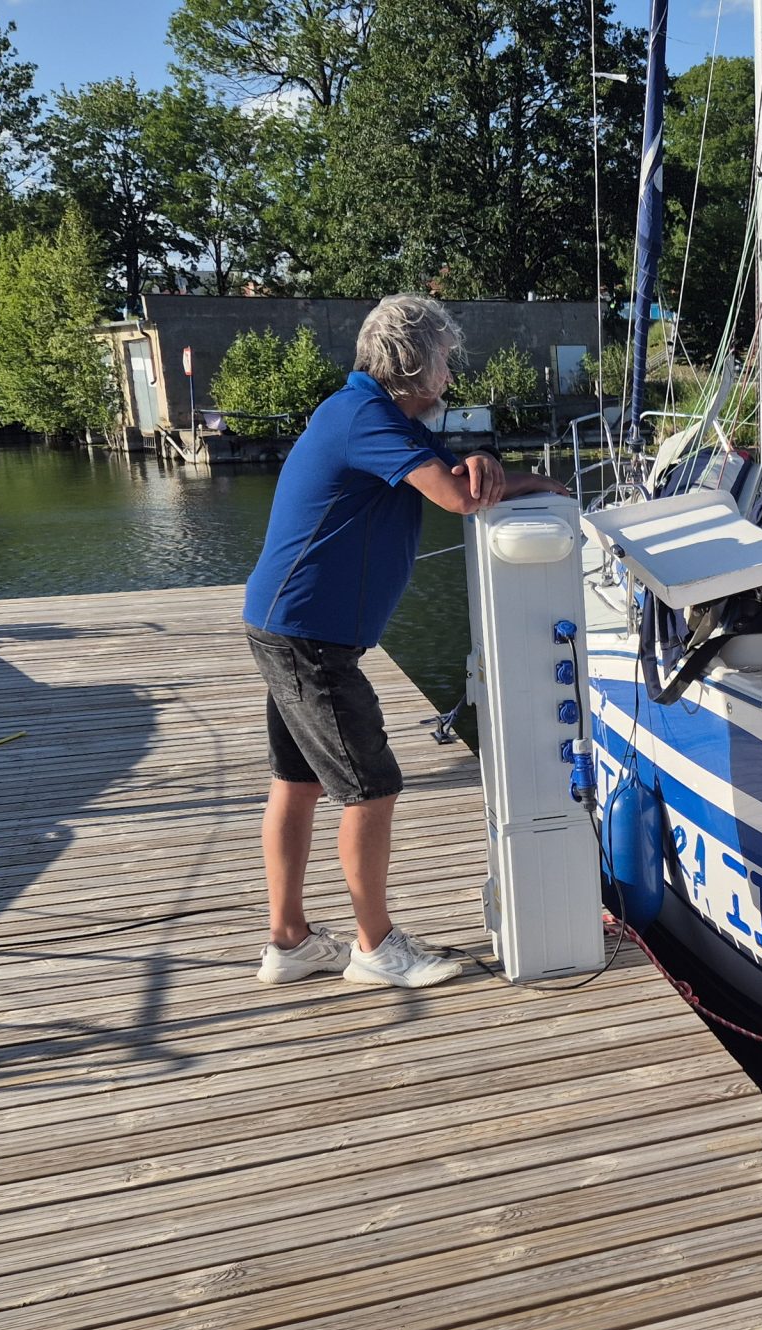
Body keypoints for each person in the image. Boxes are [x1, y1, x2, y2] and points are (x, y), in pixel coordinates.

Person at [241, 295, 563, 989]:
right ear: (413, 364)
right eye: (444, 359)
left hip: (289, 624)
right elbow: (456, 496)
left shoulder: (375, 415)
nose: (450, 373)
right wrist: (521, 480)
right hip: (310, 637)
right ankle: (375, 948)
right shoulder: (367, 417)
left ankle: (290, 942)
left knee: (297, 782)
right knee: (371, 788)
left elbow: (465, 479)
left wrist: (510, 471)